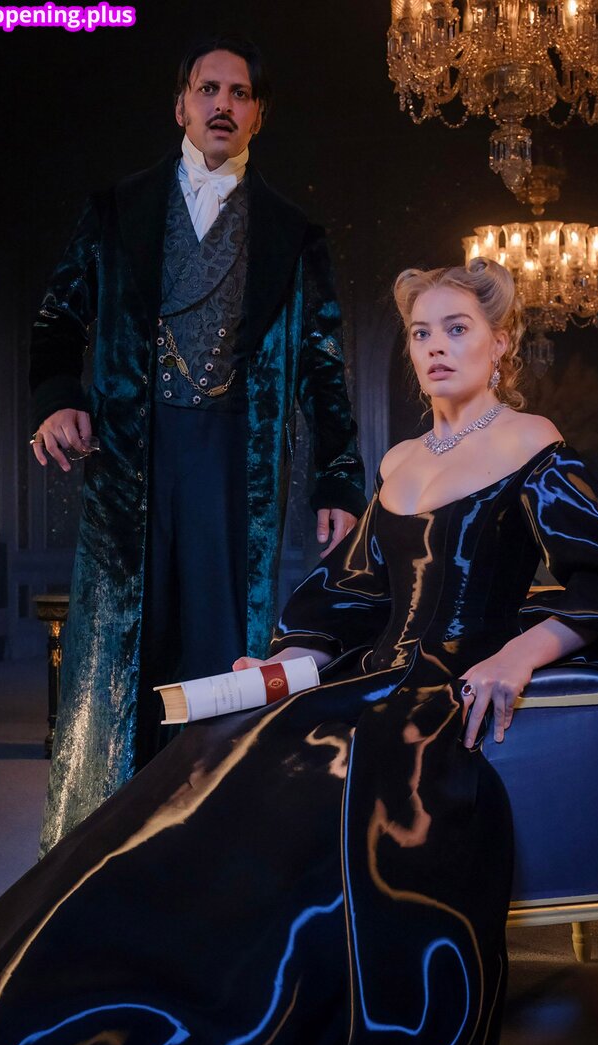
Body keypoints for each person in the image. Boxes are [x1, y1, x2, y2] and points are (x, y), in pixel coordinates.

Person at [0, 258, 598, 1045]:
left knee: (323, 761)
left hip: (440, 690)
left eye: (457, 329)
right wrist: (285, 662)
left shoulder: (531, 441)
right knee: (223, 747)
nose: (436, 347)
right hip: (369, 675)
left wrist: (517, 655)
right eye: (421, 333)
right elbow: (349, 597)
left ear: (499, 343)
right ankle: (145, 979)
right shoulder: (401, 461)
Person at [28, 35, 366, 854]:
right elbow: (57, 320)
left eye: (240, 93)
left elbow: (323, 365)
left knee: (222, 649)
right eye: (208, 89)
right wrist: (59, 400)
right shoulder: (117, 210)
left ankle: (215, 845)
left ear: (258, 115)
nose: (223, 104)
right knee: (127, 647)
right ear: (180, 104)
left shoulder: (293, 232)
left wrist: (336, 479)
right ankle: (109, 843)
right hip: (130, 461)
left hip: (235, 462)